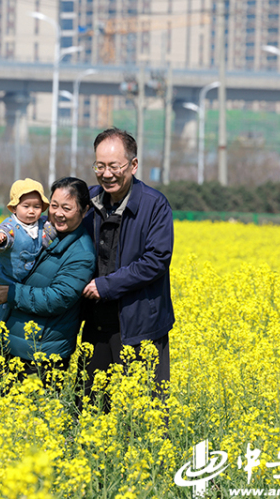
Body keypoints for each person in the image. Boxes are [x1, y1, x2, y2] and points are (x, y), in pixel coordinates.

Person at [81, 127, 175, 404]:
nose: (106, 173)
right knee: (91, 406)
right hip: (96, 324)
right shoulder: (87, 201)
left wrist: (106, 285)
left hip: (140, 326)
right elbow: (56, 235)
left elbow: (156, 260)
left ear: (133, 165)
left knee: (145, 412)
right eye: (99, 166)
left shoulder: (154, 205)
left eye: (114, 166)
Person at [0, 177, 96, 378]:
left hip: (43, 355)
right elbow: (7, 263)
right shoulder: (38, 231)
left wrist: (10, 293)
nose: (58, 213)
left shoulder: (82, 253)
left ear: (84, 211)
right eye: (54, 206)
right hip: (9, 347)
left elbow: (58, 298)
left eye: (67, 208)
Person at [0, 178, 57, 360]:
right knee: (1, 310)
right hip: (2, 276)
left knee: (7, 311)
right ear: (14, 208)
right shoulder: (10, 227)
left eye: (37, 206)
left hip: (19, 279)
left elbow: (53, 232)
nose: (32, 211)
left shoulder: (42, 225)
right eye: (26, 206)